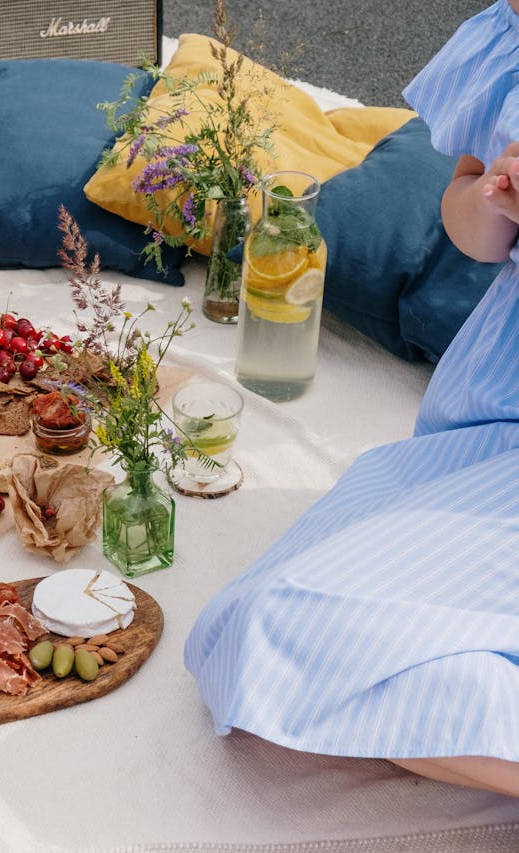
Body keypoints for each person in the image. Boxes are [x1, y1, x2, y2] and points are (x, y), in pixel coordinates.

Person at [184, 0, 519, 798]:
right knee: (252, 632)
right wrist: (497, 196)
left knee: (294, 635)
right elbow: (470, 221)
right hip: (491, 414)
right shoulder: (508, 31)